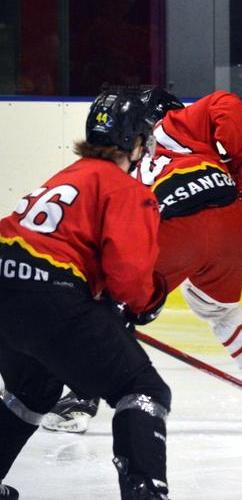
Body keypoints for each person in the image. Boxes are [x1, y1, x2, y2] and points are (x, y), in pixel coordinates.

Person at [41, 89, 242, 433]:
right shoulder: (186, 129)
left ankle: (81, 399)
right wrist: (238, 165)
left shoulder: (144, 142)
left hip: (172, 225)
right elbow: (227, 105)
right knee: (220, 308)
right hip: (229, 220)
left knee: (110, 306)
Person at [0, 91, 171, 499]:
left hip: (5, 286)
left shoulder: (69, 175)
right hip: (50, 296)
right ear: (134, 141)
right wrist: (147, 302)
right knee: (143, 390)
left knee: (32, 390)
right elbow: (131, 279)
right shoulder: (125, 189)